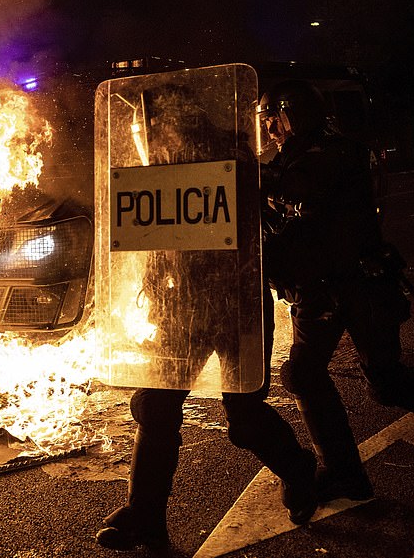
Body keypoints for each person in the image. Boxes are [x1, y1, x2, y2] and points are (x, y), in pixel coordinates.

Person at [95, 83, 319, 551]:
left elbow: (256, 227)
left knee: (244, 417)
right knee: (157, 407)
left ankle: (299, 470)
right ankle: (145, 514)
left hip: (238, 303)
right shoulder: (164, 165)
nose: (145, 138)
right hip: (186, 305)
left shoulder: (233, 158)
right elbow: (161, 234)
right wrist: (156, 286)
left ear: (175, 120)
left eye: (150, 127)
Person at [258, 79, 414, 503]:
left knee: (386, 384)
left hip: (359, 288)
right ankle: (345, 475)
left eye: (271, 119)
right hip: (317, 293)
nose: (269, 130)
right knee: (302, 374)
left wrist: (240, 173)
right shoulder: (292, 159)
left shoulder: (334, 153)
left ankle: (343, 474)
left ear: (290, 114)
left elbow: (302, 189)